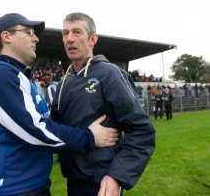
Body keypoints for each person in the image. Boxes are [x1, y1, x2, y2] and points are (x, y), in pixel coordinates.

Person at [0, 13, 119, 196]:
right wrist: (89, 137)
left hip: (31, 185)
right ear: (6, 37)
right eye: (28, 32)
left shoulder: (19, 76)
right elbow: (35, 130)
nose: (35, 38)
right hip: (12, 189)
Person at [50, 12, 156, 196]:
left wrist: (116, 176)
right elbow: (54, 129)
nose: (69, 39)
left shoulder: (109, 74)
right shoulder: (64, 82)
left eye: (77, 32)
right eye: (65, 33)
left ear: (93, 39)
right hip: (74, 180)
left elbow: (141, 130)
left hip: (102, 183)